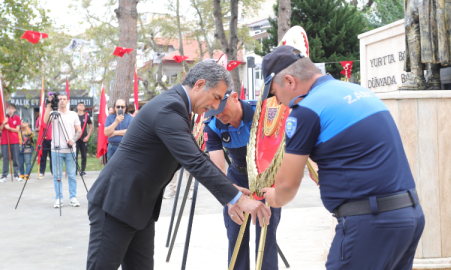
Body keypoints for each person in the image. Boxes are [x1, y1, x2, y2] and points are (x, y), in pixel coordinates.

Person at [86, 61, 271, 270]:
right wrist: (239, 199)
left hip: (140, 206)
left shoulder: (180, 109)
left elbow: (196, 156)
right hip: (116, 203)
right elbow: (195, 161)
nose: (216, 106)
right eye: (216, 97)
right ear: (200, 84)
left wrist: (231, 194)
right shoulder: (169, 108)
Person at [260, 46, 425, 269]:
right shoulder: (359, 91)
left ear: (289, 81)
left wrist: (275, 197)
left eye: (274, 93)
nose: (277, 102)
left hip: (370, 223)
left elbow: (287, 185)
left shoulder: (307, 109)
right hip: (408, 215)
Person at [204, 90, 281, 270]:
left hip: (266, 178)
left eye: (222, 108)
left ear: (235, 96)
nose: (219, 115)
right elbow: (218, 170)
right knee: (235, 233)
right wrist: (230, 196)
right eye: (213, 111)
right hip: (236, 178)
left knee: (266, 236)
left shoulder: (262, 112)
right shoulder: (213, 124)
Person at [44, 93, 82, 208]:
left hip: (70, 150)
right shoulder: (53, 113)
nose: (62, 101)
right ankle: (59, 198)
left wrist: (74, 140)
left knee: (71, 175)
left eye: (64, 99)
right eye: (60, 99)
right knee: (57, 176)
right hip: (56, 150)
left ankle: (73, 198)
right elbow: (45, 121)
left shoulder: (73, 114)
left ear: (67, 100)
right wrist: (49, 104)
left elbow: (78, 130)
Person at [0, 103, 22, 182]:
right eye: (9, 108)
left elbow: (17, 130)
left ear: (14, 110)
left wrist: (9, 128)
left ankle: (16, 174)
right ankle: (4, 175)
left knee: (15, 158)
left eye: (12, 108)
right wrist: (3, 123)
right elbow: (0, 129)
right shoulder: (3, 118)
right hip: (4, 141)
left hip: (14, 140)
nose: (10, 110)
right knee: (5, 158)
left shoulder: (17, 118)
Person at [76, 102, 92, 175]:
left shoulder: (87, 116)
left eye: (83, 105)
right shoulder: (74, 116)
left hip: (84, 138)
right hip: (75, 138)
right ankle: (75, 170)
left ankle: (82, 170)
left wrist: (88, 136)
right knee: (74, 155)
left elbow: (91, 127)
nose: (81, 106)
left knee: (84, 155)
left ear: (84, 108)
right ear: (77, 107)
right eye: (80, 105)